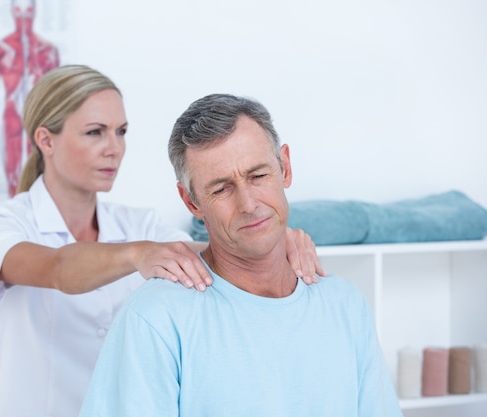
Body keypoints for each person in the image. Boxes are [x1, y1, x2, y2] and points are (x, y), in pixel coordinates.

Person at [0, 65, 324, 417]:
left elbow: (213, 256)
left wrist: (272, 239)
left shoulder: (139, 224)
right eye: (95, 132)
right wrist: (139, 254)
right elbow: (58, 268)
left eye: (120, 131)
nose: (114, 148)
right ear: (46, 140)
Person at [79, 94, 402, 417]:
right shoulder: (156, 319)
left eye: (258, 176)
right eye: (221, 189)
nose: (249, 204)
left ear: (285, 167)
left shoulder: (345, 306)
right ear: (191, 202)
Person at [0, 0, 60, 196]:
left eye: (28, 11)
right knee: (13, 174)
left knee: (41, 173)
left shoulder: (47, 50)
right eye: (18, 11)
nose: (23, 17)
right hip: (12, 117)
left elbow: (58, 94)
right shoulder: (1, 48)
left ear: (35, 13)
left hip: (40, 122)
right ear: (12, 13)